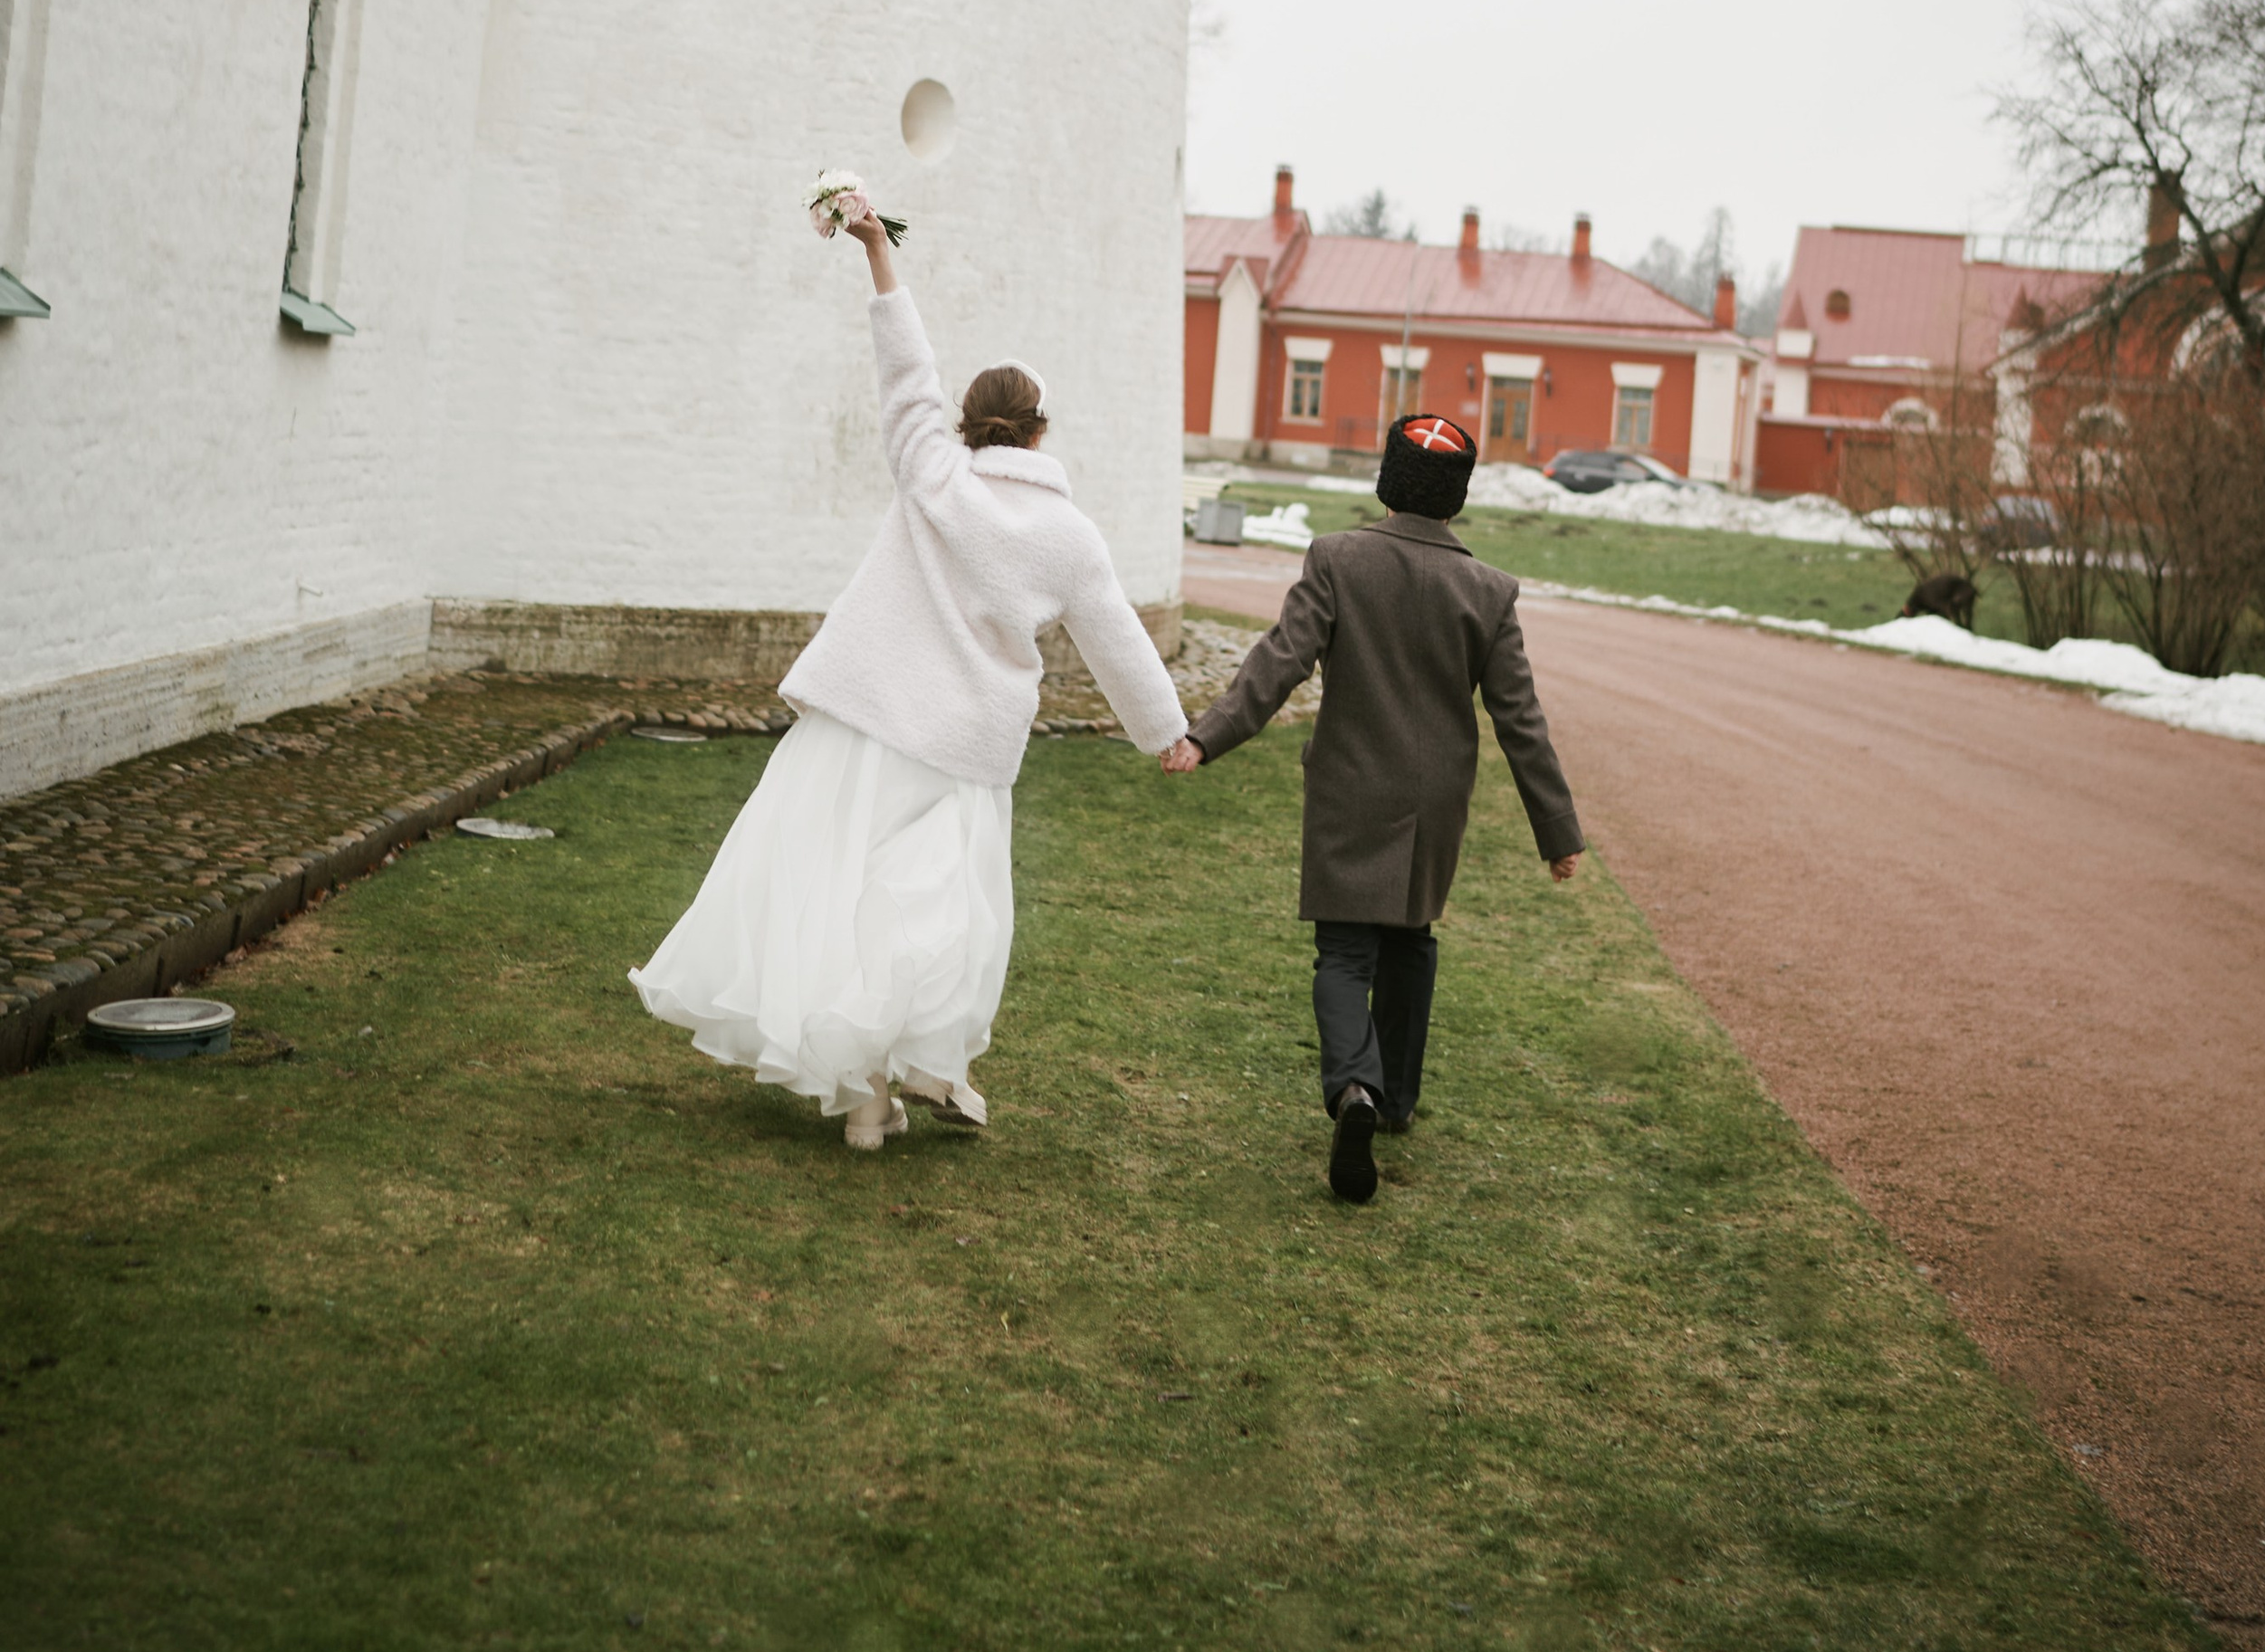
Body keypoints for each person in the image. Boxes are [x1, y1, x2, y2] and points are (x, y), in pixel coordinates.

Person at [632, 189, 1196, 1147]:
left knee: (842, 899)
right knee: (936, 918)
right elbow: (1118, 643)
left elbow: (906, 369)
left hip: (864, 725)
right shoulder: (1067, 534)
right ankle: (910, 1076)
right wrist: (1168, 733)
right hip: (963, 751)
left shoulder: (931, 471)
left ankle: (873, 1094)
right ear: (1041, 432)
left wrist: (876, 253)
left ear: (971, 423)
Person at [1163, 408, 1584, 1203]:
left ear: (1388, 483)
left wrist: (1205, 738)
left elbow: (1276, 665)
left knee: (1344, 954)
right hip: (1435, 804)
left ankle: (1355, 1086)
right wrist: (1556, 832)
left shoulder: (1336, 560)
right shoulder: (1489, 592)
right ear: (1454, 500)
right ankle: (1394, 1099)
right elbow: (1520, 720)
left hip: (1349, 789)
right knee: (1410, 945)